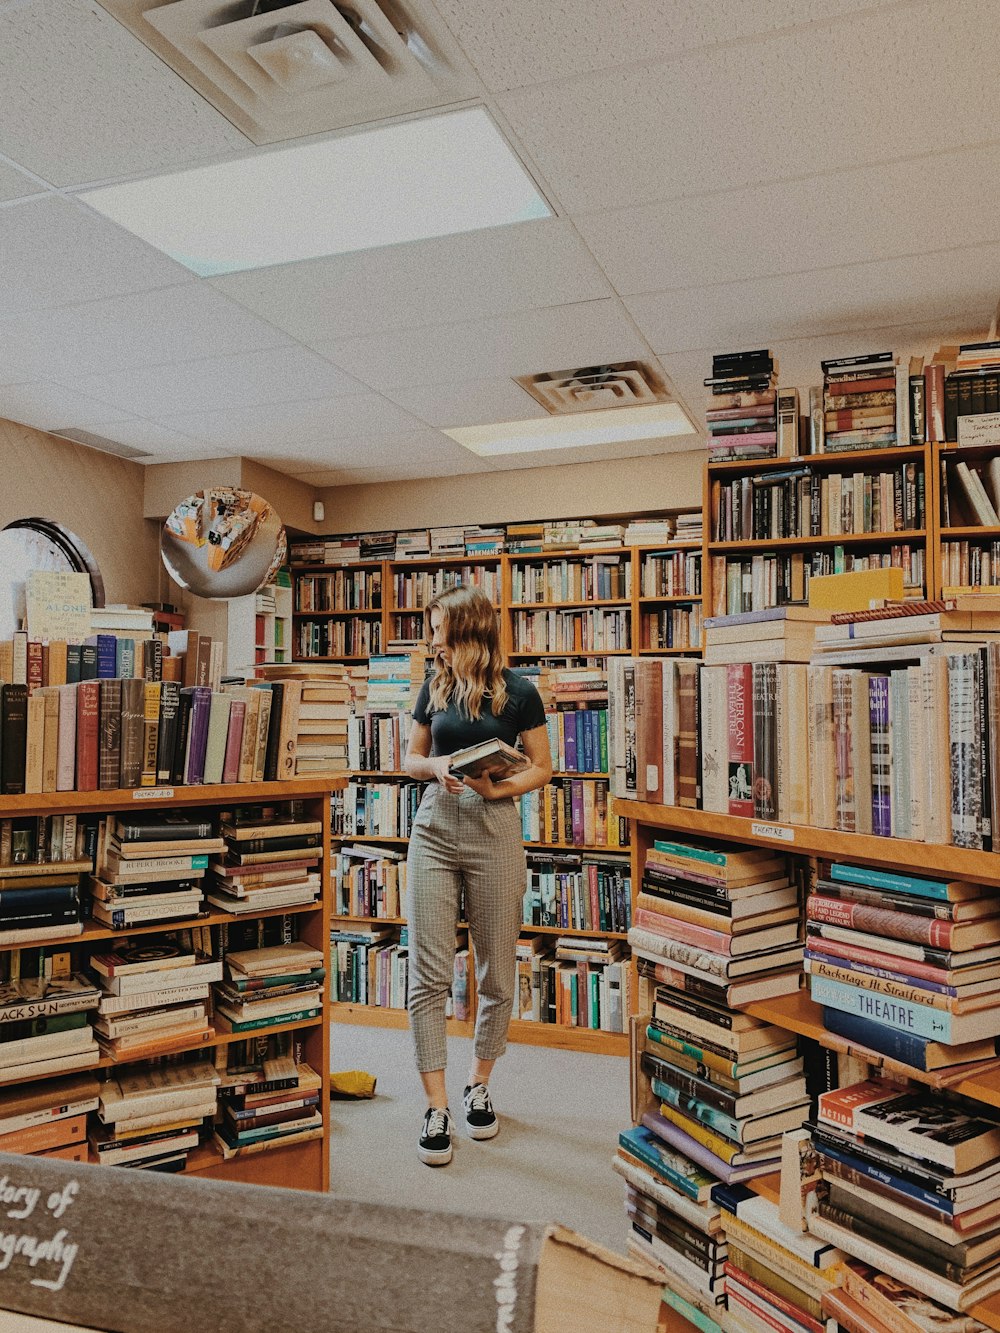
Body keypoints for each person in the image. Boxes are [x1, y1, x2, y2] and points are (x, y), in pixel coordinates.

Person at [402, 585, 553, 1166]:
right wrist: (434, 764)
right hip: (434, 828)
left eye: (439, 627)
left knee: (496, 970)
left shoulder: (520, 692)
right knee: (428, 973)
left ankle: (479, 1083)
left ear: (469, 631)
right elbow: (409, 760)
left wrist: (500, 786)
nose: (432, 638)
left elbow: (542, 766)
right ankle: (436, 1105)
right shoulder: (433, 686)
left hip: (494, 826)